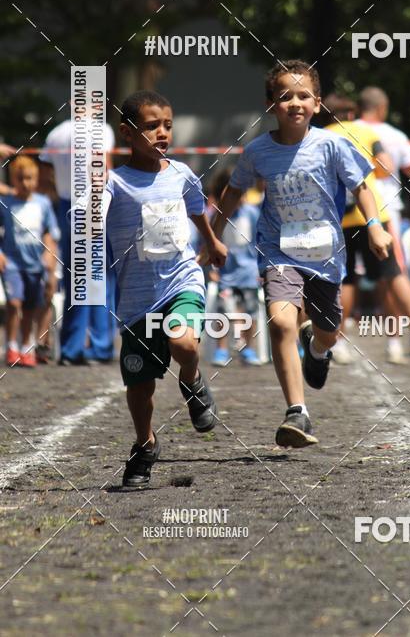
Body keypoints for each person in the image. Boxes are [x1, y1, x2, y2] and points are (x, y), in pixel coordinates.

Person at [209, 60, 392, 448]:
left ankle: (318, 347)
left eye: (303, 95)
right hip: (279, 252)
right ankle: (297, 411)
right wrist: (214, 238)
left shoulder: (333, 145)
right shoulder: (258, 151)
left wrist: (374, 226)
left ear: (318, 102)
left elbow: (362, 187)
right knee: (279, 322)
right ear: (270, 103)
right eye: (285, 96)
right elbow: (234, 192)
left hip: (326, 256)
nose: (295, 103)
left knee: (330, 331)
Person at [104, 90, 227, 488]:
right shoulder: (114, 183)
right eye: (152, 126)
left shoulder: (180, 173)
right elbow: (87, 215)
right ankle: (145, 443)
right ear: (127, 132)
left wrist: (211, 241)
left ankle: (191, 381)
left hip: (181, 280)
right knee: (139, 385)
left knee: (185, 344)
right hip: (136, 299)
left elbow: (196, 205)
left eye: (167, 126)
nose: (162, 133)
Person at [323, 93, 410, 364]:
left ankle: (338, 342)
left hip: (337, 218)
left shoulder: (320, 136)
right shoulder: (365, 132)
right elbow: (386, 168)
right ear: (352, 113)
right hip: (372, 214)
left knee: (346, 279)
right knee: (392, 274)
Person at [38, 113, 116, 364]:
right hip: (93, 203)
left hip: (65, 204)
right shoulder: (102, 130)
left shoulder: (56, 133)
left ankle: (71, 349)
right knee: (99, 275)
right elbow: (106, 170)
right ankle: (100, 346)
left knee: (74, 277)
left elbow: (45, 173)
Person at [0, 156, 60, 367]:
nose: (25, 183)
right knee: (14, 303)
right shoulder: (6, 203)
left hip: (36, 265)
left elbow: (49, 232)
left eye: (29, 178)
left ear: (36, 179)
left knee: (29, 308)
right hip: (12, 263)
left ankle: (26, 346)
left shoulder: (43, 203)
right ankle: (11, 346)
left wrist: (48, 254)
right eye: (20, 178)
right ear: (12, 180)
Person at [358, 86, 410, 233]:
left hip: (356, 208)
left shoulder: (347, 132)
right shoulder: (396, 135)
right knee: (390, 255)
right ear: (382, 107)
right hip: (387, 208)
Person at [206, 167, 262, 367]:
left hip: (249, 274)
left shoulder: (252, 213)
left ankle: (247, 348)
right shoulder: (214, 216)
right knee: (223, 311)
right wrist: (212, 270)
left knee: (251, 311)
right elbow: (207, 244)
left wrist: (261, 269)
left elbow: (260, 242)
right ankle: (221, 349)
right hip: (226, 275)